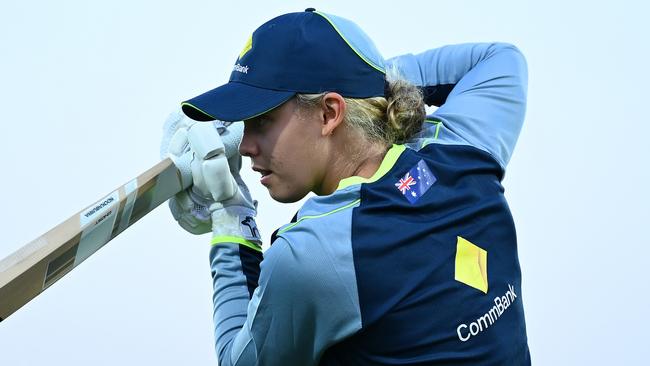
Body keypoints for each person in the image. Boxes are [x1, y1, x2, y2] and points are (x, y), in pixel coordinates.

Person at [161, 8, 530, 365]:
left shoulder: (312, 255)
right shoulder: (463, 146)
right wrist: (371, 86)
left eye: (263, 121)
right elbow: (500, 59)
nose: (244, 146)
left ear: (329, 113)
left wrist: (230, 217)